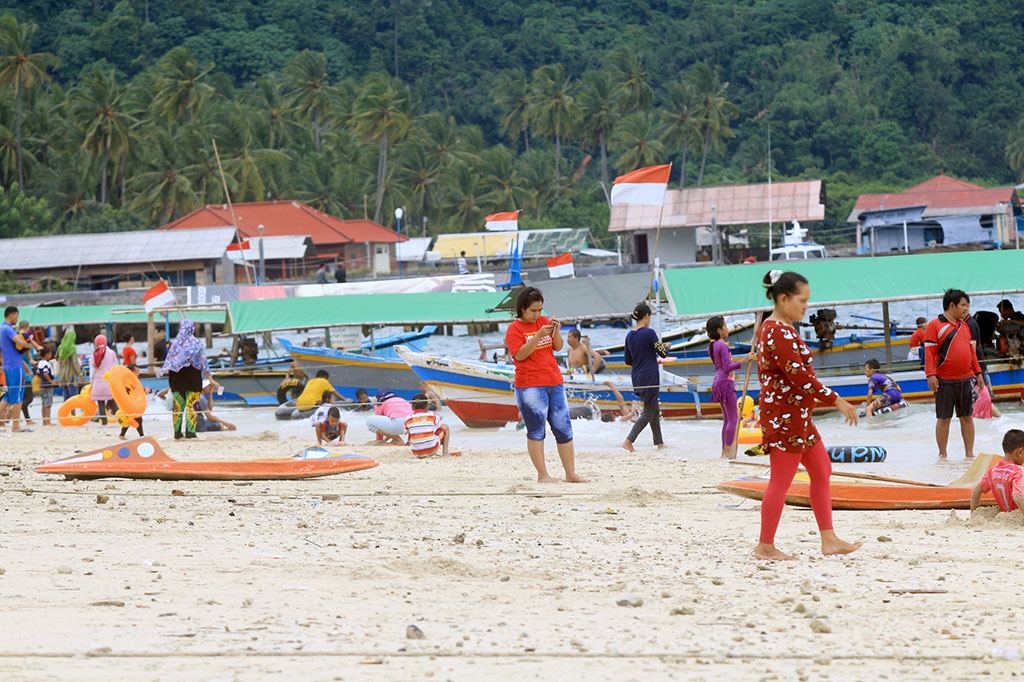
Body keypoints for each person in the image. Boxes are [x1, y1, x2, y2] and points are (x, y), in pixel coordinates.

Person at [754, 269, 862, 561]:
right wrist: (836, 400)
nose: (806, 307)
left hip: (798, 416)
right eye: (802, 301)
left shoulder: (782, 327)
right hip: (784, 417)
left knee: (822, 470)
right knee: (781, 480)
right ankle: (765, 546)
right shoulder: (776, 330)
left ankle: (829, 539)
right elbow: (799, 377)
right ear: (783, 299)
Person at [505, 287, 585, 483]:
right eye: (533, 310)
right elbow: (519, 355)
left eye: (540, 310)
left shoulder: (543, 321)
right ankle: (543, 474)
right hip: (530, 385)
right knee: (536, 431)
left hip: (553, 380)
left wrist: (555, 330)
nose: (537, 314)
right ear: (522, 308)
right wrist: (538, 336)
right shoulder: (514, 329)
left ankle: (570, 473)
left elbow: (557, 347)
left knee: (564, 429)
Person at [924, 289, 984, 459]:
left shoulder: (965, 326)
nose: (966, 309)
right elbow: (929, 352)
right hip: (944, 380)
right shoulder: (935, 325)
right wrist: (930, 374)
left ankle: (969, 454)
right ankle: (942, 455)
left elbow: (971, 353)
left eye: (967, 306)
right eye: (963, 305)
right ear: (952, 305)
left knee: (967, 417)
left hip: (966, 379)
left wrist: (978, 373)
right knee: (944, 418)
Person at [156, 319, 220, 440]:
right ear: (192, 328)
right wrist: (210, 378)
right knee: (192, 406)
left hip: (176, 378)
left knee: (178, 407)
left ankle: (178, 434)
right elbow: (203, 362)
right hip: (193, 378)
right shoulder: (197, 343)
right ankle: (190, 433)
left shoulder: (175, 344)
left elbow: (169, 361)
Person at [621, 302, 669, 453]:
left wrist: (647, 359)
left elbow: (628, 360)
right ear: (647, 316)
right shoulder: (649, 333)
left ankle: (659, 443)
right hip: (650, 377)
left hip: (637, 377)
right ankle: (629, 441)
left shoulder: (629, 335)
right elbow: (663, 353)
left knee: (653, 408)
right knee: (649, 411)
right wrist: (667, 347)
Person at [707, 315, 755, 459]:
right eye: (725, 326)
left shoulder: (712, 346)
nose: (728, 329)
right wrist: (745, 359)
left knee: (727, 420)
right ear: (719, 330)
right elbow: (727, 367)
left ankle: (725, 451)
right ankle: (726, 453)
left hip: (718, 381)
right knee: (733, 419)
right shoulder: (722, 345)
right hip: (726, 383)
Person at [971, 429, 1024, 516]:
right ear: (1020, 451)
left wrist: (973, 514)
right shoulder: (1019, 472)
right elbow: (1018, 496)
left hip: (1006, 512)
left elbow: (976, 491)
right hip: (1018, 513)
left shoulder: (993, 471)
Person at [0, 306, 31, 432]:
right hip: (14, 367)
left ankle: (13, 424)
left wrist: (24, 364)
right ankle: (16, 426)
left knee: (7, 396)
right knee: (18, 396)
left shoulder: (3, 328)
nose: (17, 319)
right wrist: (30, 342)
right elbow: (21, 343)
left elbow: (13, 350)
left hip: (10, 365)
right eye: (17, 316)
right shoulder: (7, 329)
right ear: (12, 315)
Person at [404, 392, 458, 457]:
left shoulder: (408, 418)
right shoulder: (432, 415)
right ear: (427, 406)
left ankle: (417, 446)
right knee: (445, 426)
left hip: (416, 452)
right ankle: (445, 453)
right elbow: (440, 417)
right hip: (432, 449)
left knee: (411, 429)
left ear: (412, 407)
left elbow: (405, 432)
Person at [88, 334, 118, 425]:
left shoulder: (94, 355)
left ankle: (104, 422)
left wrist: (91, 383)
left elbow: (92, 371)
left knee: (100, 403)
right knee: (113, 402)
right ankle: (121, 419)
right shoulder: (112, 353)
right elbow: (115, 367)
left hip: (98, 382)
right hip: (109, 381)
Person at [117, 363, 148, 439]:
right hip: (128, 404)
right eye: (136, 371)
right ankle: (142, 436)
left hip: (133, 403)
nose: (138, 373)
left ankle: (122, 434)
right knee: (137, 418)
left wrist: (145, 391)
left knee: (130, 419)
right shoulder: (127, 380)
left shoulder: (135, 381)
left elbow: (138, 392)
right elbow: (127, 391)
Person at [57, 328, 82, 400]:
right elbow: (74, 363)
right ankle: (73, 408)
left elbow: (59, 362)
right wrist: (80, 374)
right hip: (71, 375)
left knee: (66, 395)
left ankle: (66, 407)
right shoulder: (72, 348)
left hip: (63, 375)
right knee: (73, 396)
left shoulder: (61, 347)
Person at [34, 345, 56, 427]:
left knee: (44, 404)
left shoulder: (39, 363)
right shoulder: (46, 363)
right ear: (47, 354)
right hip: (47, 386)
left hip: (42, 385)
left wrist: (42, 380)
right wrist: (50, 381)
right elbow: (45, 373)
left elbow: (38, 373)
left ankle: (44, 421)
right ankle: (48, 421)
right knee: (48, 404)